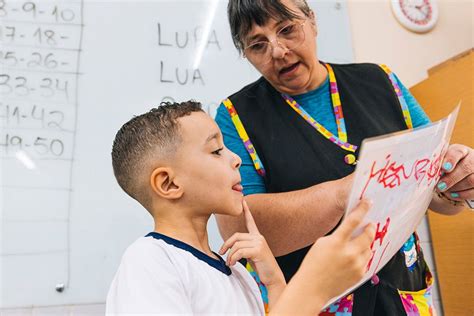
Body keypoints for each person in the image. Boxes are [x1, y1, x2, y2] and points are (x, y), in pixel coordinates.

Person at [215, 0, 474, 315]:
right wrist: (347, 191)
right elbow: (240, 226)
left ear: (312, 21)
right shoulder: (237, 115)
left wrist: (457, 178)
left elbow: (437, 194)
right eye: (258, 45)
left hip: (403, 291)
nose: (279, 51)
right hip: (313, 304)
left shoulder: (381, 81)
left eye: (287, 30)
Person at [105, 101, 376, 315]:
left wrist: (275, 284)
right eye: (216, 151)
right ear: (168, 183)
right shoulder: (150, 262)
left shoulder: (238, 271)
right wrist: (312, 287)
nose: (235, 159)